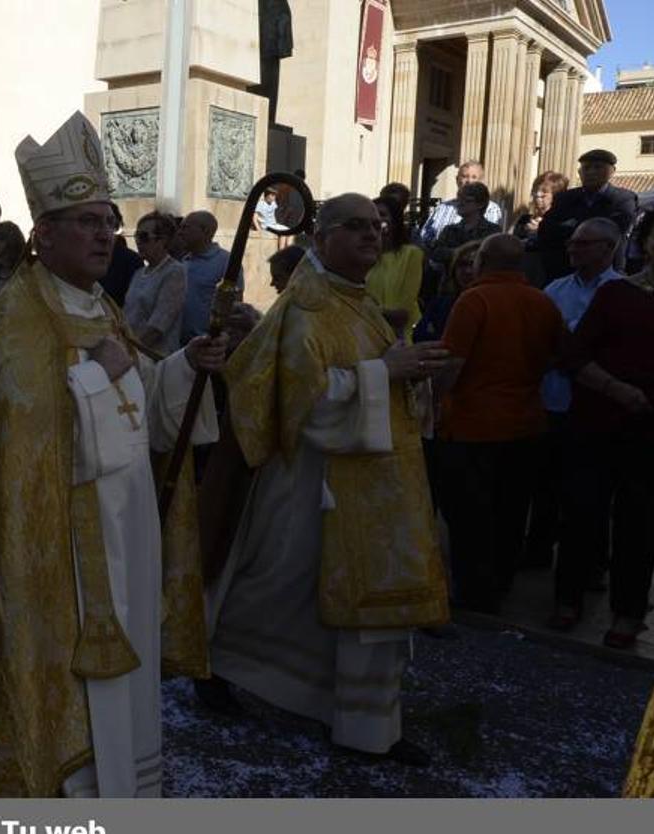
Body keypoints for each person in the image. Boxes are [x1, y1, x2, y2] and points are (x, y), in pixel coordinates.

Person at [0, 111, 226, 797]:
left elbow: (136, 390)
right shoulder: (16, 313)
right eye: (87, 221)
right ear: (43, 235)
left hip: (123, 526)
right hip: (62, 549)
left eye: (109, 220)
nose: (107, 233)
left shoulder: (99, 305)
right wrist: (95, 377)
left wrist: (183, 366)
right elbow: (16, 432)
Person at [205, 193, 450, 766]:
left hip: (376, 483)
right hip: (316, 485)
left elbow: (377, 372)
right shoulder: (308, 306)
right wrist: (385, 372)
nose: (373, 234)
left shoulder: (361, 303)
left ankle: (364, 723)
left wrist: (413, 374)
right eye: (356, 226)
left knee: (334, 604)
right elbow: (302, 405)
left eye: (378, 225)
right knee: (284, 591)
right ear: (321, 239)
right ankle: (216, 663)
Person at [435, 235, 562, 613]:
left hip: (474, 425)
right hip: (526, 422)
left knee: (469, 515)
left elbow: (452, 366)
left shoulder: (474, 299)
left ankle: (473, 591)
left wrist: (436, 401)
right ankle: (501, 582)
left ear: (482, 262)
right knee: (510, 511)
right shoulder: (542, 301)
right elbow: (557, 355)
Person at [558, 210, 654, 650]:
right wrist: (617, 389)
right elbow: (574, 355)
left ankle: (628, 612)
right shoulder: (617, 293)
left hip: (652, 435)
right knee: (582, 513)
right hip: (597, 422)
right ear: (646, 242)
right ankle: (569, 598)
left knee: (641, 525)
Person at [543, 218, 629, 631]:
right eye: (572, 243)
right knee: (560, 493)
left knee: (593, 503)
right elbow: (545, 338)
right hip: (555, 401)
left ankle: (595, 568)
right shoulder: (556, 290)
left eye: (584, 243)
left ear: (608, 248)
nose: (573, 249)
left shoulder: (625, 294)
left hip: (600, 410)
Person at [538, 149, 638, 282]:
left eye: (598, 167)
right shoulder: (564, 198)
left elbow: (613, 232)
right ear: (579, 172)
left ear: (612, 171)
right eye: (586, 168)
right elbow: (546, 230)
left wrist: (569, 227)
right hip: (564, 272)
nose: (591, 172)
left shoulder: (623, 199)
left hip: (606, 274)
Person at [123, 211, 186, 355]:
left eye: (143, 237)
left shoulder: (174, 272)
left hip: (155, 356)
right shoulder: (139, 273)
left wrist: (130, 351)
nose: (138, 242)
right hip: (132, 352)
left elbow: (158, 325)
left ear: (163, 240)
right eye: (136, 236)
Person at [179, 210, 244, 342]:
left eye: (186, 228)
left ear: (206, 231)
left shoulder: (227, 262)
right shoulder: (183, 261)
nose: (180, 233)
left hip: (206, 345)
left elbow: (234, 304)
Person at [367, 196, 425, 336]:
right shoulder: (364, 256)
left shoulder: (411, 254)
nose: (377, 220)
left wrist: (367, 310)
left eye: (382, 215)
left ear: (395, 220)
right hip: (366, 333)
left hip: (398, 336)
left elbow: (402, 315)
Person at [416, 161, 504, 249]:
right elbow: (425, 235)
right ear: (457, 180)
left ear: (481, 181)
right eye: (465, 176)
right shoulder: (442, 207)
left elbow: (489, 244)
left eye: (474, 177)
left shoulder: (492, 208)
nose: (469, 181)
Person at [413, 241, 479, 344]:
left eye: (473, 265)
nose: (467, 271)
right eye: (462, 265)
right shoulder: (439, 304)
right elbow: (419, 336)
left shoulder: (491, 307)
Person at [430, 183, 500, 269]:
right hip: (452, 279)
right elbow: (436, 254)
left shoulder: (493, 231)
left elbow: (493, 256)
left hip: (481, 279)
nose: (460, 204)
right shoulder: (450, 230)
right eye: (459, 200)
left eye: (467, 201)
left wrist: (464, 252)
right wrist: (457, 252)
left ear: (480, 204)